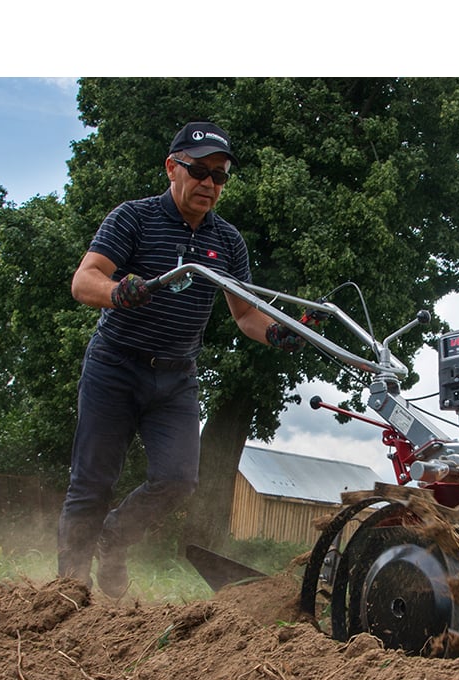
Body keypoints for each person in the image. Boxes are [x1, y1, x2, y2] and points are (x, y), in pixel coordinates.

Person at [57, 121, 308, 597]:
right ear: (173, 167)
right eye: (200, 171)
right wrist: (118, 291)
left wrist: (277, 334)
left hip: (175, 379)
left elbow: (245, 315)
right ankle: (68, 590)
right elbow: (84, 280)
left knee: (177, 480)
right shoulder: (132, 218)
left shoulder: (228, 242)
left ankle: (115, 539)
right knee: (92, 481)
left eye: (220, 175)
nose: (210, 184)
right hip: (115, 366)